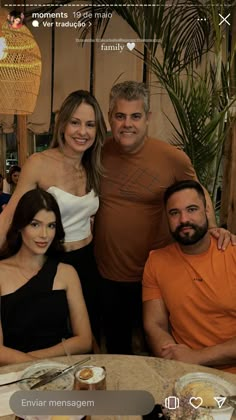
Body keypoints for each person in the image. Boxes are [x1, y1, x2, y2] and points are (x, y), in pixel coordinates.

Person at [94, 80, 235, 355]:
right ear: (110, 118)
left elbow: (197, 192)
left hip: (156, 274)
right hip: (107, 275)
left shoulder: (172, 158)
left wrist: (215, 228)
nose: (127, 124)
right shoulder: (99, 153)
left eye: (135, 116)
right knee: (116, 348)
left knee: (156, 350)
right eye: (120, 116)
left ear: (148, 118)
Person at [0, 90, 107, 341]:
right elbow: (10, 216)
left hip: (87, 259)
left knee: (88, 336)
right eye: (75, 122)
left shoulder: (93, 166)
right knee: (52, 336)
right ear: (63, 125)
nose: (83, 132)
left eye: (90, 124)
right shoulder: (39, 162)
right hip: (52, 258)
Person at [143, 180, 236, 373]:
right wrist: (174, 357)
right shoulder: (156, 261)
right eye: (174, 213)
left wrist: (198, 357)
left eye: (192, 209)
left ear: (207, 211)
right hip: (184, 370)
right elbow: (155, 324)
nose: (184, 219)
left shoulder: (232, 253)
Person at [0, 188, 92, 365]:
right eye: (35, 224)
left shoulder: (67, 273)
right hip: (11, 375)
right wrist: (36, 365)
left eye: (51, 225)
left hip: (60, 370)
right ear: (20, 226)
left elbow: (85, 340)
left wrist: (41, 363)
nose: (44, 235)